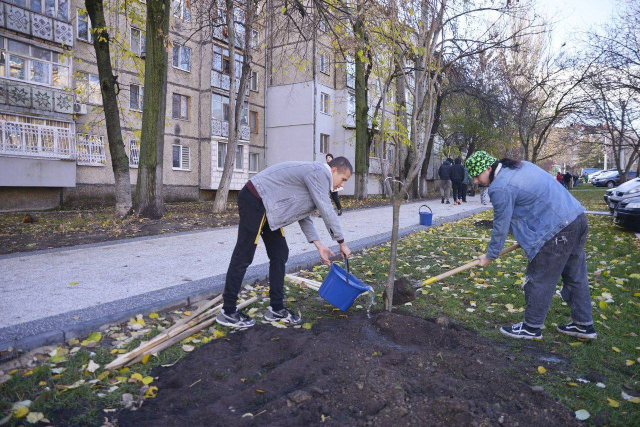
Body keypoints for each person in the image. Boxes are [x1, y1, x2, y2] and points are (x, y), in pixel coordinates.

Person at [466, 151, 596, 340]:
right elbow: (534, 202)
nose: (476, 181)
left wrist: (490, 255)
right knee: (575, 276)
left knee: (539, 279)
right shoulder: (521, 166)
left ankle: (531, 327)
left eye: (477, 176)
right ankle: (584, 325)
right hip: (576, 219)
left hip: (557, 231)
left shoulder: (499, 187)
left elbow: (501, 225)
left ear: (488, 168)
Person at [217, 158, 353, 329]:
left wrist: (319, 245)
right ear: (333, 171)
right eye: (344, 179)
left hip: (269, 206)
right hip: (256, 199)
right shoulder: (320, 173)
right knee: (244, 254)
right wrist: (341, 242)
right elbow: (327, 209)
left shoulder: (316, 179)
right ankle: (228, 311)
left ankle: (276, 309)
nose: (343, 185)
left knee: (280, 253)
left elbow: (303, 215)